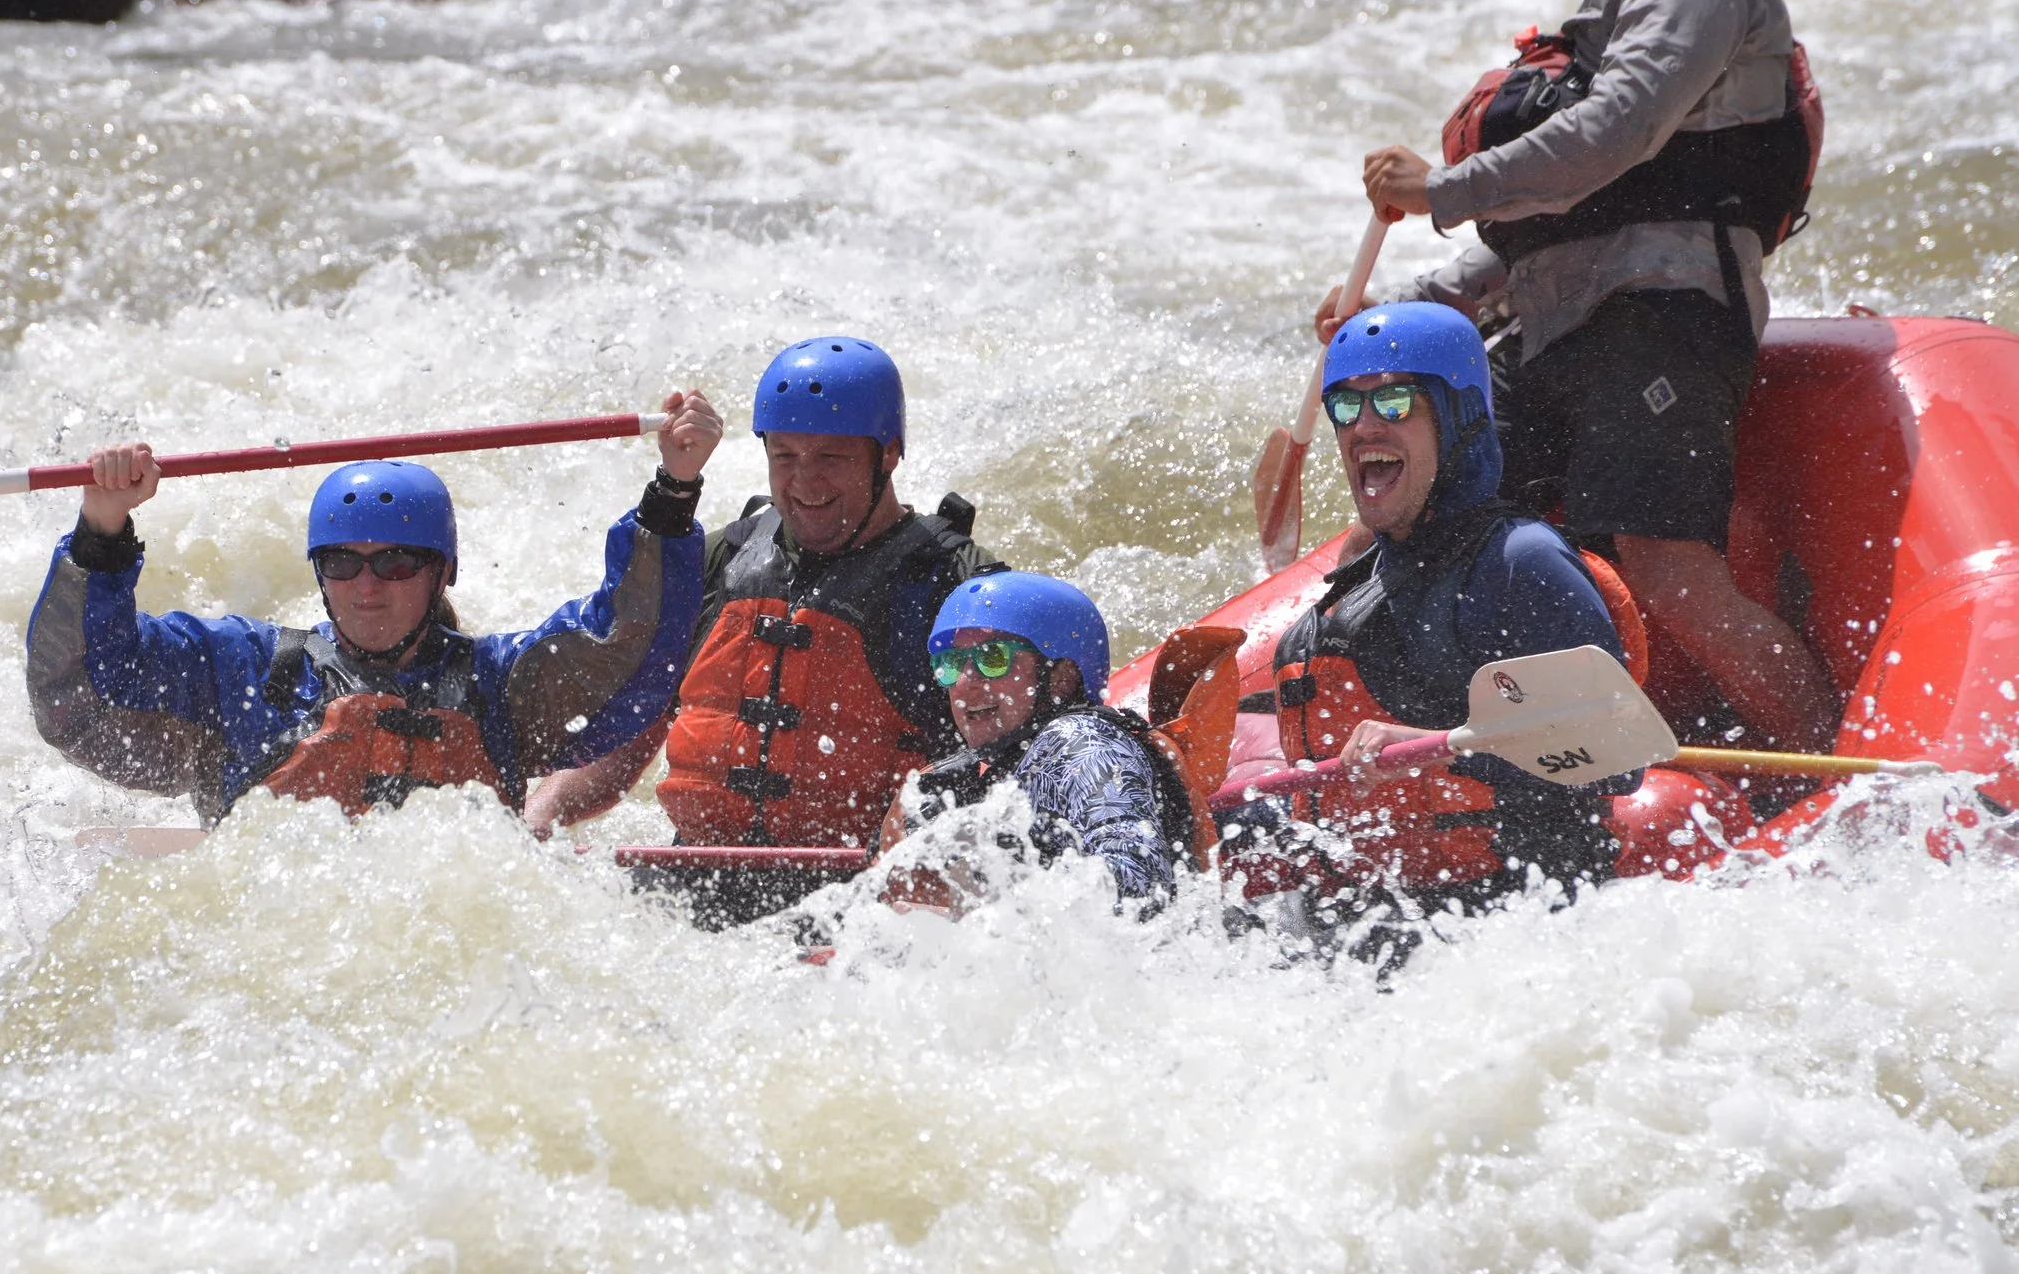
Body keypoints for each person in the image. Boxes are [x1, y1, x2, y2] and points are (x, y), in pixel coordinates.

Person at [1319, 0, 1837, 753]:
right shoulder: (1604, 8)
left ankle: (1829, 774)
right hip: (1552, 333)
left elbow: (1620, 130)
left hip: (1669, 317)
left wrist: (1442, 189)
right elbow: (1550, 236)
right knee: (1402, 525)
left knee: (1670, 572)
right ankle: (1390, 759)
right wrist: (1400, 308)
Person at [25, 393, 720, 826]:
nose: (367, 585)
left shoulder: (502, 687)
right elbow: (81, 692)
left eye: (395, 562)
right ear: (319, 574)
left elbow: (628, 647)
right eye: (342, 562)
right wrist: (102, 529)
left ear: (441, 569)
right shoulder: (245, 673)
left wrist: (675, 486)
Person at [522, 337, 1000, 917]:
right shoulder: (721, 561)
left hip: (863, 904)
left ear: (889, 454)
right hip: (695, 885)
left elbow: (1015, 758)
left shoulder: (955, 586)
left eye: (832, 457)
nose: (806, 482)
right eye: (786, 456)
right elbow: (629, 731)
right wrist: (542, 813)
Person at [1254, 301, 1641, 922]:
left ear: (1458, 416)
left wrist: (1441, 748)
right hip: (1364, 911)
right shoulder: (1371, 574)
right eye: (1347, 406)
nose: (1365, 426)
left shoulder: (1521, 563)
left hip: (1508, 915)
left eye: (1396, 402)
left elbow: (1614, 760)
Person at [879, 572, 1198, 908]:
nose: (964, 683)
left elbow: (1140, 889)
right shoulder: (976, 777)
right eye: (951, 663)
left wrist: (982, 905)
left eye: (993, 658)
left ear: (1061, 678)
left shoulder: (1083, 744)